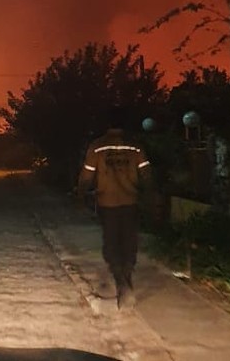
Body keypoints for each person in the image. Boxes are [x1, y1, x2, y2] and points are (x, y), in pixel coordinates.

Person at [77, 107, 151, 309]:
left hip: (107, 203)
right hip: (131, 201)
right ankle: (126, 276)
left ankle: (121, 280)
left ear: (107, 125)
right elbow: (147, 176)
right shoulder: (135, 148)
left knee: (111, 243)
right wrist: (152, 196)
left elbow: (86, 176)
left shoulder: (97, 147)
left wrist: (80, 195)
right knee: (129, 241)